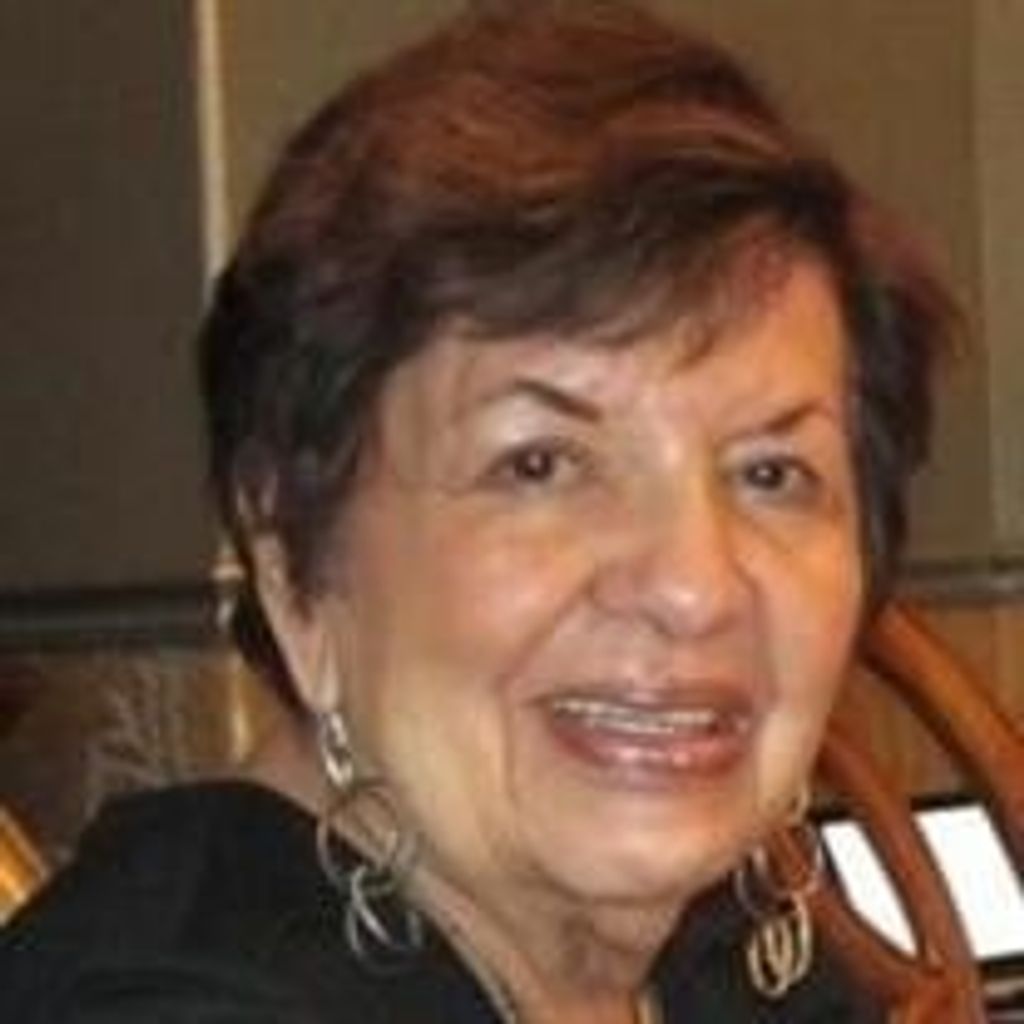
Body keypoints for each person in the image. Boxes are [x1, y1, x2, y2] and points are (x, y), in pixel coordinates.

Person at [0, 2, 954, 1021]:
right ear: (295, 567)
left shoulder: (731, 957)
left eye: (771, 473)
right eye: (540, 465)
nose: (693, 585)